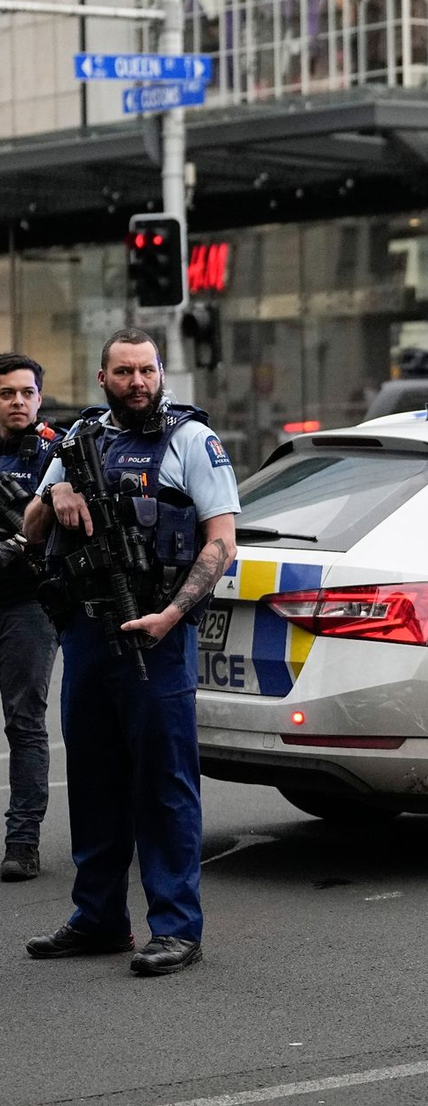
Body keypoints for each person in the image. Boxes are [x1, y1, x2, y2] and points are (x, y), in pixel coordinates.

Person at [22, 328, 239, 976]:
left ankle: (175, 927)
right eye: (124, 372)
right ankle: (99, 917)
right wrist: (53, 492)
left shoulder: (192, 441)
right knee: (92, 778)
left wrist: (173, 614)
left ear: (161, 373)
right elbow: (30, 529)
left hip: (159, 633)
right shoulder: (79, 439)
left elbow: (222, 540)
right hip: (87, 633)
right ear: (103, 378)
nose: (137, 382)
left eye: (147, 370)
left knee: (164, 783)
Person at [0, 354, 64, 882]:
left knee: (24, 723)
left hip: (28, 602)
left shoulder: (59, 451)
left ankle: (22, 842)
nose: (17, 401)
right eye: (6, 393)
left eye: (25, 392)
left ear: (39, 397)